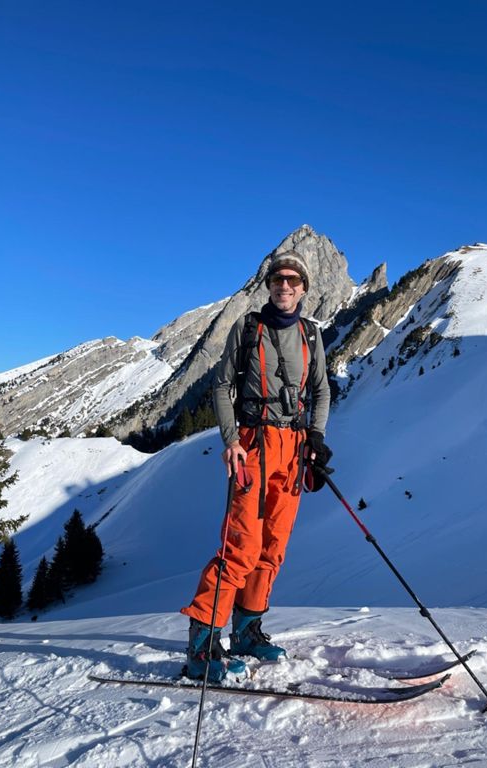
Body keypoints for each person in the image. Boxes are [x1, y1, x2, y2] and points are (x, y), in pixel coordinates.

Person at [181, 249, 332, 681]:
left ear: (304, 288)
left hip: (294, 446)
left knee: (273, 547)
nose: (285, 286)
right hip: (253, 444)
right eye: (277, 280)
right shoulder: (248, 328)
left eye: (293, 280)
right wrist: (231, 441)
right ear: (268, 285)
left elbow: (320, 391)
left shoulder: (310, 335)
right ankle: (202, 644)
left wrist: (316, 440)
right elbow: (222, 386)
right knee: (241, 547)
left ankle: (247, 630)